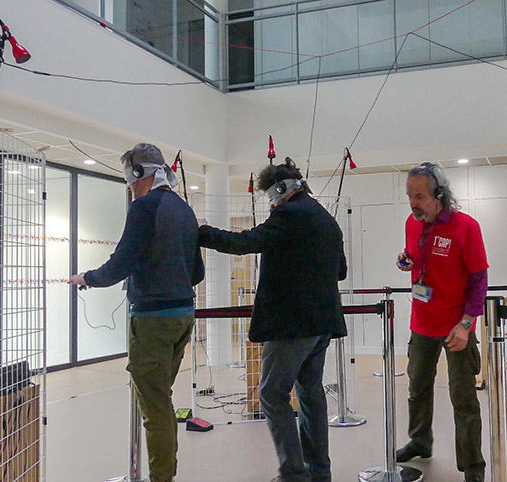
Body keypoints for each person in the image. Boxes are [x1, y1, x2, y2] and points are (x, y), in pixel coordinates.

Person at [198, 157, 347, 482]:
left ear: (281, 190)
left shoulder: (289, 214)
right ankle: (319, 473)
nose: (270, 203)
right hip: (323, 323)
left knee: (270, 393)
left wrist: (203, 233)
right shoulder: (325, 218)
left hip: (294, 325)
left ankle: (293, 473)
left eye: (270, 195)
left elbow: (245, 242)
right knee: (310, 394)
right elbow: (341, 271)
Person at [69, 143, 205, 482]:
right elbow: (197, 271)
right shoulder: (184, 209)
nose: (128, 186)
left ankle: (161, 478)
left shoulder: (144, 208)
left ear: (137, 174)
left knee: (154, 406)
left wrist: (88, 278)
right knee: (160, 397)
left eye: (129, 178)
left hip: (152, 321)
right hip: (182, 316)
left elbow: (121, 262)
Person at [396, 162, 488, 482]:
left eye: (420, 196)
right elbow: (415, 258)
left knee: (463, 399)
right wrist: (405, 260)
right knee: (417, 388)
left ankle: (473, 466)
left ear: (438, 194)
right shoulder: (413, 222)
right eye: (410, 196)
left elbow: (479, 279)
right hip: (422, 323)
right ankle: (420, 441)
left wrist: (466, 324)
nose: (413, 203)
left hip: (455, 327)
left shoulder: (466, 227)